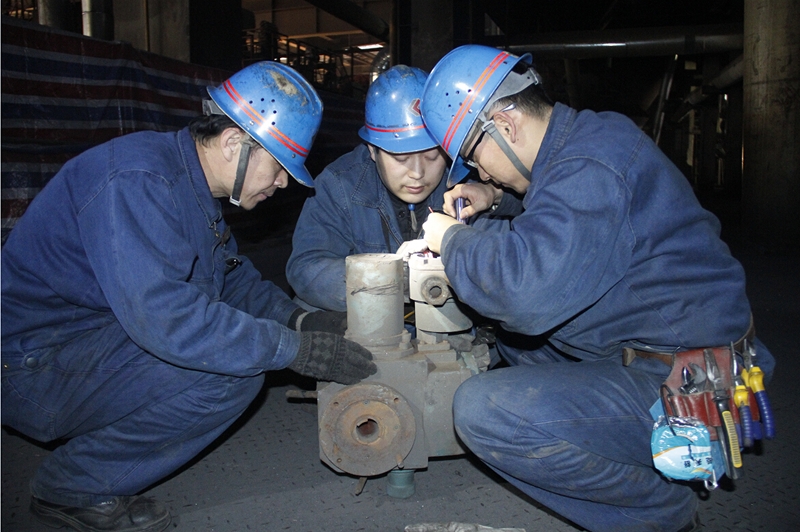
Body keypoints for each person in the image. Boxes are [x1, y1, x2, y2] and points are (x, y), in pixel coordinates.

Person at [1, 61, 376, 532]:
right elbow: (167, 319)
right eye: (280, 166)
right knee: (229, 372)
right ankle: (72, 487)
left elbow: (232, 281)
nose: (282, 183)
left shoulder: (187, 187)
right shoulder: (138, 181)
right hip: (32, 367)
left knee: (234, 346)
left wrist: (300, 321)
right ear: (233, 143)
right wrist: (293, 350)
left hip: (86, 340)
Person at [418, 45, 776, 532]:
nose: (479, 172)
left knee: (483, 410)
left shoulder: (590, 164)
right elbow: (560, 208)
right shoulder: (586, 141)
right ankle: (638, 453)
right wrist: (494, 195)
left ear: (504, 126)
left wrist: (451, 239)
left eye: (474, 158)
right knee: (518, 345)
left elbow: (524, 293)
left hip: (693, 383)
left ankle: (656, 510)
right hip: (674, 346)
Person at [286, 65, 449, 312]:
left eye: (432, 156)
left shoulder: (465, 188)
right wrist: (390, 278)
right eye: (401, 158)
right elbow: (306, 268)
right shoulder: (339, 184)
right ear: (372, 150)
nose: (417, 173)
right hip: (372, 321)